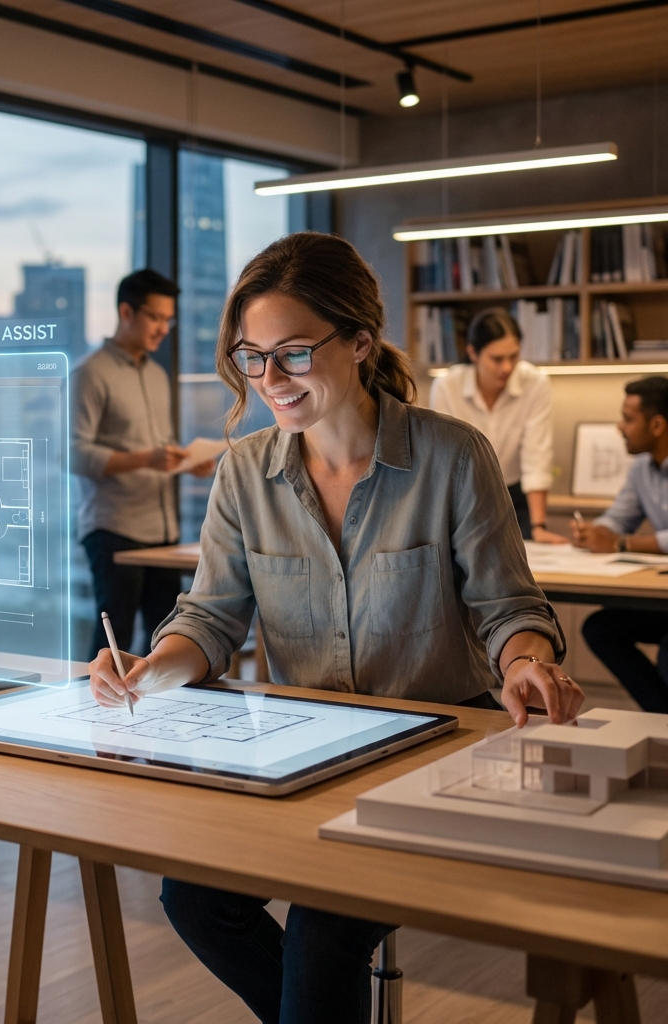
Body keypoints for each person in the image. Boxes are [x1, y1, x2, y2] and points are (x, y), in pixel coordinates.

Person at [88, 233, 583, 1024]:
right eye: (252, 357)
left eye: (292, 353)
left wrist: (525, 661)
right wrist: (151, 670)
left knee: (322, 933)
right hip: (303, 751)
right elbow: (210, 618)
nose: (269, 380)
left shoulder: (454, 456)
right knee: (194, 898)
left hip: (433, 749)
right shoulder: (245, 471)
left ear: (359, 341)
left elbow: (508, 609)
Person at [72, 268, 215, 659]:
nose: (163, 328)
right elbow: (73, 453)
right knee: (114, 639)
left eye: (169, 319)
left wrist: (185, 461)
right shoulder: (89, 374)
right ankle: (91, 699)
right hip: (114, 528)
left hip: (161, 529)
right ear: (126, 312)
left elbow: (157, 449)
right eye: (155, 317)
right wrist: (147, 458)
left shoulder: (156, 374)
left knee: (166, 636)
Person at [429, 307, 565, 544]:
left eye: (514, 356)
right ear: (473, 353)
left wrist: (538, 527)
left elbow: (537, 456)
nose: (507, 368)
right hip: (464, 496)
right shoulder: (447, 387)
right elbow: (442, 458)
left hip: (514, 496)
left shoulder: (535, 383)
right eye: (497, 359)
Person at [575, 376, 668, 712]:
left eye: (628, 419)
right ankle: (661, 716)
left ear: (657, 425)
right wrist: (595, 532)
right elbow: (619, 517)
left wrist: (623, 544)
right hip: (662, 599)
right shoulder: (642, 468)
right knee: (600, 628)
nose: (620, 427)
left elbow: (622, 539)